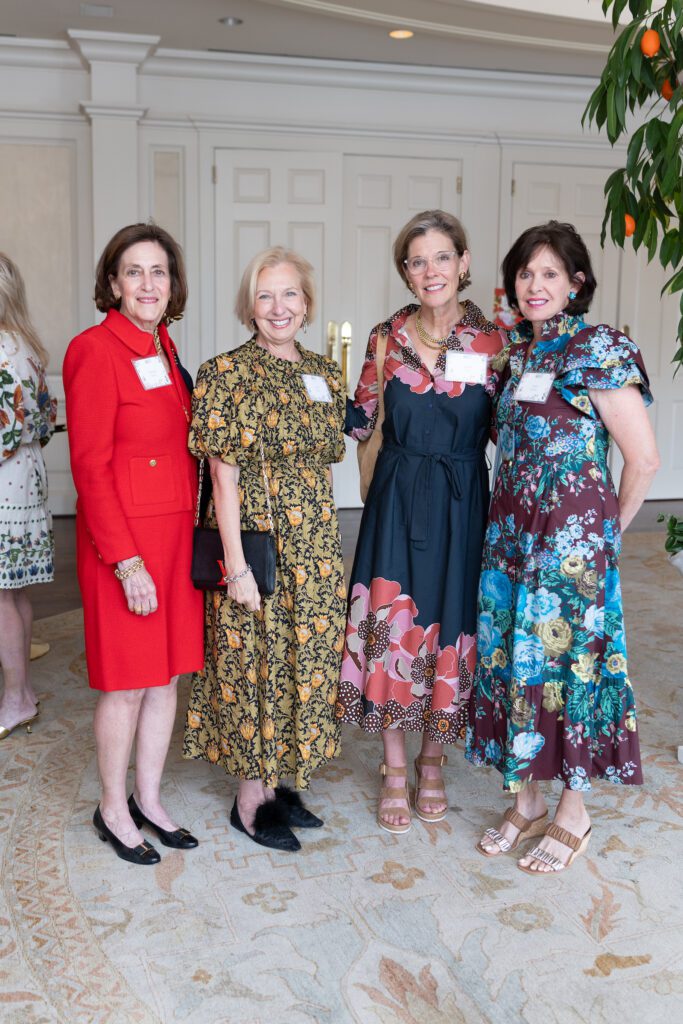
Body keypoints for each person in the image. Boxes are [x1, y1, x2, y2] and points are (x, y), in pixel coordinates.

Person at [467, 220, 659, 873]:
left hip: (569, 553)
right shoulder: (515, 356)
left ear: (576, 282)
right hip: (509, 544)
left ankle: (572, 811)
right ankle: (523, 800)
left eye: (549, 273)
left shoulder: (598, 347)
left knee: (570, 669)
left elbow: (642, 458)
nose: (534, 284)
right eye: (524, 273)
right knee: (516, 664)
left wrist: (604, 534)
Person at [337, 209, 505, 834]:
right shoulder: (387, 338)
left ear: (463, 263)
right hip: (397, 495)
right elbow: (357, 418)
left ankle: (433, 758)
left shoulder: (497, 343)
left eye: (441, 258)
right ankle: (395, 766)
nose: (430, 271)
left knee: (451, 623)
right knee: (391, 621)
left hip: (465, 500)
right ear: (405, 272)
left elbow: (513, 428)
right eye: (416, 261)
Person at [183, 246, 346, 852]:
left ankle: (279, 783)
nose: (279, 308)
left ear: (307, 304)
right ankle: (249, 797)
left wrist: (324, 556)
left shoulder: (325, 374)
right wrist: (238, 567)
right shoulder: (224, 372)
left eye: (290, 295)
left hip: (313, 549)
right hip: (250, 543)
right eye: (265, 295)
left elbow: (324, 466)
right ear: (249, 306)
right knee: (251, 664)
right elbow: (222, 477)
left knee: (300, 664)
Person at [63, 223, 204, 865]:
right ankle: (113, 808)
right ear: (114, 283)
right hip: (127, 546)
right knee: (125, 683)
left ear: (171, 285)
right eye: (135, 272)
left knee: (166, 674)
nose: (148, 284)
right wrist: (125, 562)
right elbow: (90, 467)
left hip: (174, 536)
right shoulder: (95, 350)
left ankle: (149, 798)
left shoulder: (166, 348)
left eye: (159, 272)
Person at [0, 254, 56, 740]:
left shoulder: (1, 348)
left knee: (1, 597)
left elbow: (4, 431)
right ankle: (23, 691)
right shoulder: (27, 345)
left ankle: (14, 696)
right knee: (12, 592)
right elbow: (44, 421)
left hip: (4, 487)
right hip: (25, 482)